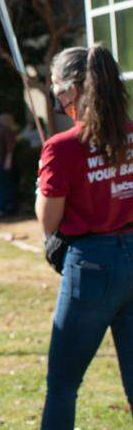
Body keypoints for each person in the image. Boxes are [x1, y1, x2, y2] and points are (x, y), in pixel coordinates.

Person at [37, 45, 133, 430]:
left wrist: (43, 181)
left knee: (62, 385)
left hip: (92, 264)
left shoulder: (62, 147)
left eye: (57, 92)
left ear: (72, 91)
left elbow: (48, 221)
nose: (57, 102)